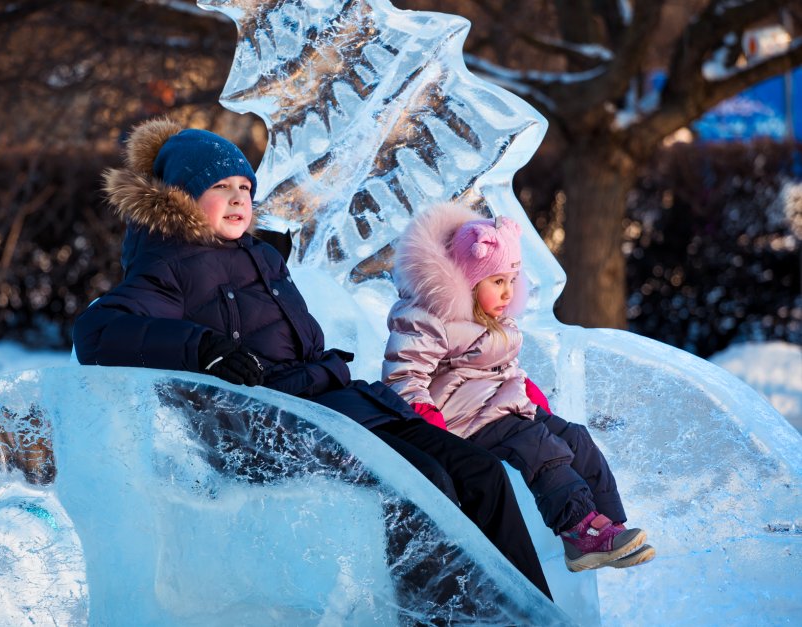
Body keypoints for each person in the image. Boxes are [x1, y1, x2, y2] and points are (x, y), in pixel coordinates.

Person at [72, 117, 553, 599]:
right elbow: (98, 332)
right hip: (266, 427)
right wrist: (202, 348)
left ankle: (531, 613)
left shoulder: (260, 255)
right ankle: (433, 616)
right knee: (421, 483)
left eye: (245, 185)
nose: (240, 197)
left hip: (333, 401)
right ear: (180, 196)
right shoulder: (165, 265)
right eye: (220, 186)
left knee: (480, 472)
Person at [381, 203, 656, 573]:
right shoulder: (429, 315)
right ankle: (578, 531)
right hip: (465, 418)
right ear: (468, 280)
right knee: (538, 446)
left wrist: (533, 400)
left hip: (505, 406)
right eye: (498, 282)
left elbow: (506, 368)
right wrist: (428, 423)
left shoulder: (495, 317)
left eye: (512, 280)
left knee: (575, 437)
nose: (509, 292)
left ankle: (608, 525)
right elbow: (404, 375)